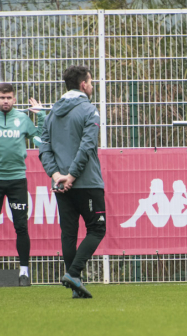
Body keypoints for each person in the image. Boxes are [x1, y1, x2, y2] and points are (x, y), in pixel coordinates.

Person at [39, 65, 105, 298]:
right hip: (86, 182)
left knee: (68, 233)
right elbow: (87, 146)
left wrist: (56, 175)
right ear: (83, 85)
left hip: (60, 185)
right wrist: (72, 176)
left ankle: (75, 284)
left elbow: (43, 147)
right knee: (97, 228)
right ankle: (74, 274)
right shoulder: (89, 110)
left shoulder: (51, 114)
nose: (92, 84)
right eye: (91, 81)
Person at [0, 83, 45, 286]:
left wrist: (42, 116)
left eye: (8, 97)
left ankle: (24, 273)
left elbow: (41, 141)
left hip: (17, 180)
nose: (5, 101)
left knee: (21, 227)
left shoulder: (22, 119)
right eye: (2, 97)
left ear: (15, 99)